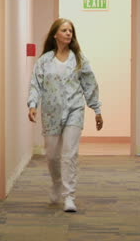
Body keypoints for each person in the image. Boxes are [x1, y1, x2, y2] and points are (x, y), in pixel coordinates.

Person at [27, 18, 103, 212]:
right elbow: (36, 84)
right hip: (51, 113)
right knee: (52, 155)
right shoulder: (45, 60)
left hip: (74, 110)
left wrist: (96, 109)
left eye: (70, 31)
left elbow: (89, 84)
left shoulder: (79, 59)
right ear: (55, 34)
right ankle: (57, 183)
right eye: (64, 30)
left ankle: (69, 196)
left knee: (69, 154)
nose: (68, 33)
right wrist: (33, 104)